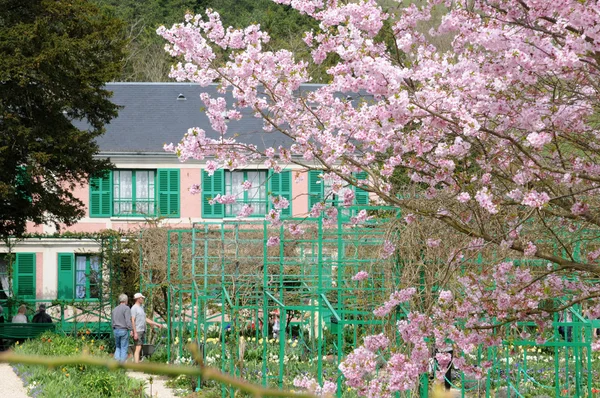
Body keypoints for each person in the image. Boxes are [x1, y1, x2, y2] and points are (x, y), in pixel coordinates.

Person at [131, 293, 163, 363]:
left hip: (142, 330)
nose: (143, 299)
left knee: (140, 347)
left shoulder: (141, 308)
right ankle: (136, 365)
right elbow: (132, 320)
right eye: (142, 298)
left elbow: (145, 319)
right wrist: (134, 332)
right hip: (138, 330)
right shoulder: (134, 308)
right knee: (138, 347)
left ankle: (137, 362)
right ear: (138, 299)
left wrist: (156, 324)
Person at [111, 294, 132, 363]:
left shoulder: (114, 309)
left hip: (115, 330)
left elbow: (112, 322)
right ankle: (122, 365)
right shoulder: (126, 308)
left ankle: (116, 362)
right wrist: (131, 329)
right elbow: (128, 321)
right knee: (124, 347)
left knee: (118, 347)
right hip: (123, 330)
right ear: (126, 300)